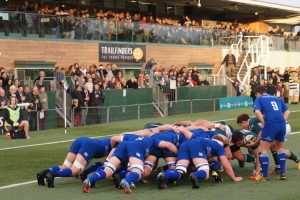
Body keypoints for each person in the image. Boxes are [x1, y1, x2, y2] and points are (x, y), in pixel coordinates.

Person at [83, 135, 178, 194]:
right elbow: (169, 145)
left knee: (108, 169)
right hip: (135, 148)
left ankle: (89, 180)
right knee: (138, 172)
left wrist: (111, 150)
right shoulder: (154, 140)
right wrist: (178, 154)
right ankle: (126, 181)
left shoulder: (133, 135)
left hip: (122, 146)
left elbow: (114, 138)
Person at [156, 137, 242, 189]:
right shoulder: (219, 147)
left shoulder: (208, 141)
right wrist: (233, 177)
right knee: (205, 171)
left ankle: (164, 175)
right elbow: (225, 162)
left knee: (180, 170)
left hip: (185, 144)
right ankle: (195, 175)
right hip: (197, 147)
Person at [36, 137, 112, 188]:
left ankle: (42, 173)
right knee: (75, 170)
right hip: (89, 145)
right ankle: (52, 175)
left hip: (81, 140)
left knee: (65, 166)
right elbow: (108, 164)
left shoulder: (115, 141)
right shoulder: (118, 146)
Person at [253, 85, 290, 181]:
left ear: (257, 93)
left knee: (263, 149)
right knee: (280, 148)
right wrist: (283, 121)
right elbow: (287, 111)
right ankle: (282, 173)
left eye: (255, 95)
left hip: (270, 124)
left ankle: (264, 176)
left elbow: (257, 112)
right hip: (282, 125)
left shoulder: (259, 99)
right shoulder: (276, 98)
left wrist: (263, 122)